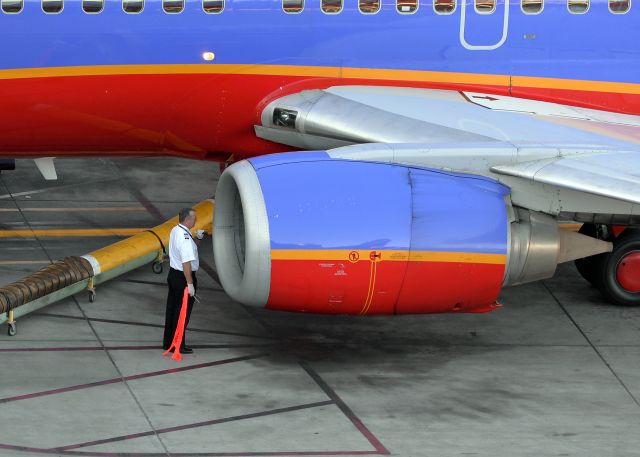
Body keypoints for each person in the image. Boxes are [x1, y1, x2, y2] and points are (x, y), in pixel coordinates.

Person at [163, 207, 206, 354]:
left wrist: (198, 239)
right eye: (194, 218)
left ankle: (168, 342)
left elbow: (188, 249)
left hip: (173, 275)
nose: (196, 220)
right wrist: (190, 284)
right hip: (183, 277)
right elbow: (186, 263)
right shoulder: (186, 239)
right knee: (182, 313)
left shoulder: (176, 230)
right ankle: (178, 344)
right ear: (187, 220)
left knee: (172, 309)